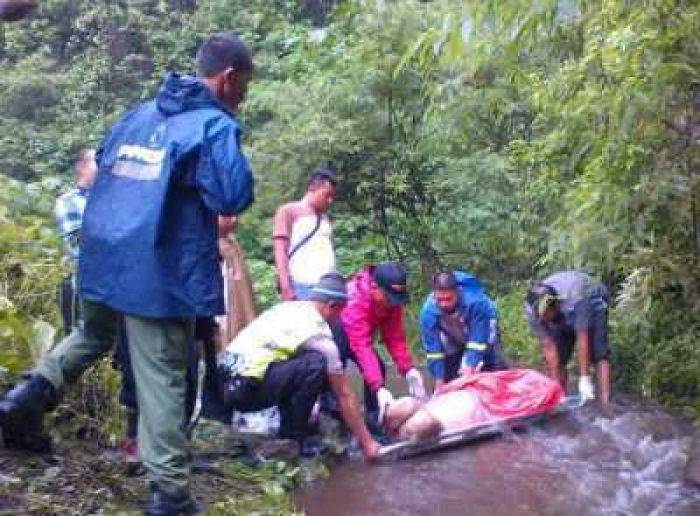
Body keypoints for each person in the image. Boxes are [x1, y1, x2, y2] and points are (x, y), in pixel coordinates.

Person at [0, 33, 255, 514]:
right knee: (161, 372)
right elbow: (233, 196)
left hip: (100, 251)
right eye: (244, 87)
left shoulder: (137, 115)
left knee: (92, 332)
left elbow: (104, 170)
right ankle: (169, 495)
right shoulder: (212, 124)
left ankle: (27, 398)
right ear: (227, 79)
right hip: (154, 264)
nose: (243, 97)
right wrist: (225, 131)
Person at [219, 273, 381, 460]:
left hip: (223, 380)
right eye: (340, 312)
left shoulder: (288, 308)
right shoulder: (318, 332)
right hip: (243, 390)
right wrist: (368, 443)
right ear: (331, 306)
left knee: (302, 361)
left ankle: (291, 423)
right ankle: (292, 436)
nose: (339, 319)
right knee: (315, 364)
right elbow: (343, 393)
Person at [341, 263, 426, 424]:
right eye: (388, 297)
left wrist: (408, 369)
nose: (392, 302)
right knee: (336, 375)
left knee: (378, 368)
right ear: (374, 287)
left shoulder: (391, 301)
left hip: (360, 337)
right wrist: (378, 386)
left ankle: (374, 419)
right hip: (337, 335)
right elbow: (362, 346)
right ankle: (336, 419)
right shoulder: (355, 300)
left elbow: (394, 336)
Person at [383, 369, 563, 442]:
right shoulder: (523, 381)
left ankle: (397, 432)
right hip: (456, 402)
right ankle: (392, 430)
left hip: (447, 414)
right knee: (409, 407)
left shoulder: (533, 391)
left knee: (421, 419)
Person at [525, 271, 612, 406]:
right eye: (542, 317)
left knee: (599, 353)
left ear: (556, 305)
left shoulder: (577, 297)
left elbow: (582, 337)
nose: (546, 320)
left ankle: (605, 403)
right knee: (559, 356)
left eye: (547, 315)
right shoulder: (531, 311)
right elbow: (548, 345)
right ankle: (561, 397)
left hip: (592, 299)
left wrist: (584, 378)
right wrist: (555, 386)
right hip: (567, 308)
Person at [420, 270, 507, 389]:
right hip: (450, 329)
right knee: (449, 370)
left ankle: (500, 389)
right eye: (439, 300)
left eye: (448, 299)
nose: (443, 304)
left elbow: (478, 340)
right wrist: (439, 381)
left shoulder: (476, 303)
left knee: (491, 359)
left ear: (458, 292)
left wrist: (470, 367)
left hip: (483, 323)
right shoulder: (428, 312)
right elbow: (433, 351)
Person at [273, 168, 337, 301]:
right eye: (327, 194)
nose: (329, 200)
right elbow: (280, 251)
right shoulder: (288, 211)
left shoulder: (325, 218)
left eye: (332, 196)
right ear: (313, 188)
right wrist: (286, 287)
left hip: (326, 287)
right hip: (302, 285)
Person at [54, 148, 97, 336]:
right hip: (81, 280)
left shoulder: (107, 199)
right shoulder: (67, 202)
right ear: (82, 167)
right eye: (97, 162)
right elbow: (76, 242)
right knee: (79, 336)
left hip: (111, 284)